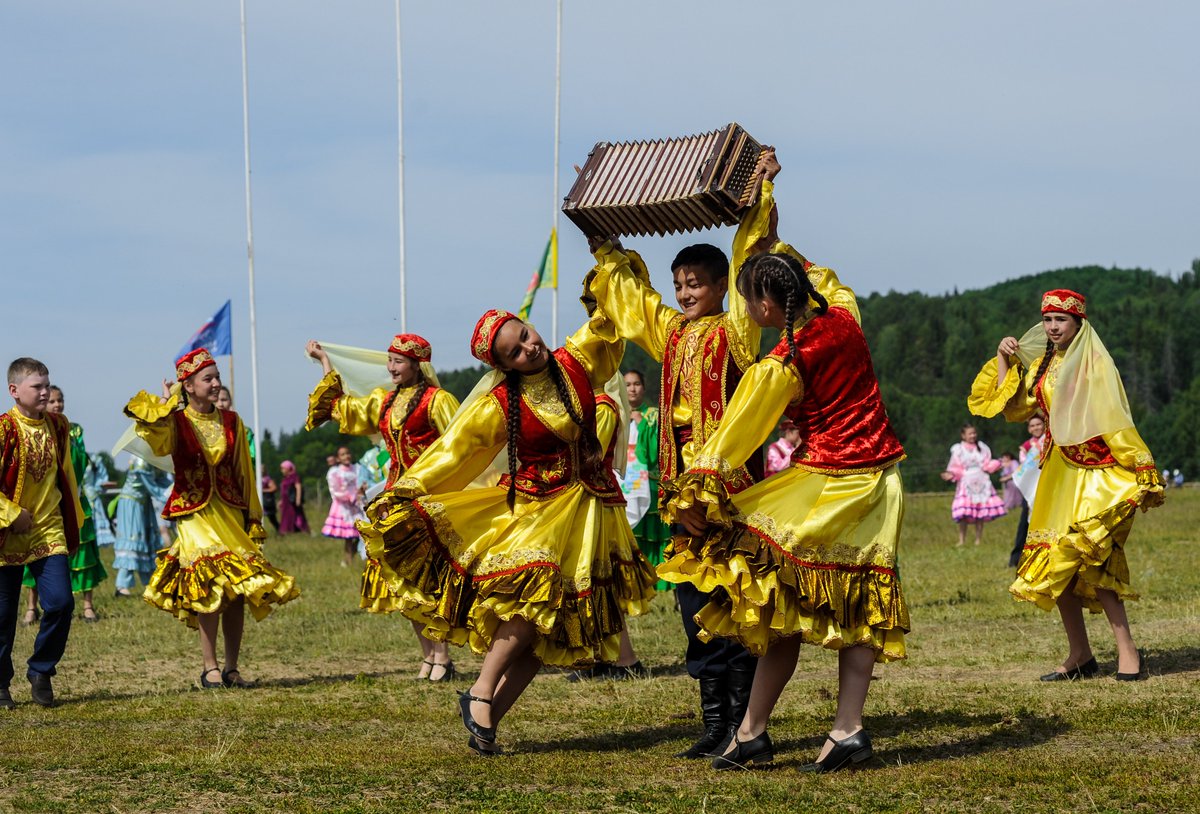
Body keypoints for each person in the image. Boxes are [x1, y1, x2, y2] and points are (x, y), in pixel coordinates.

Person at [360, 308, 656, 755]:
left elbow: (611, 324)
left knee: (547, 630)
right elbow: (453, 453)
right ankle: (480, 691)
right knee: (531, 604)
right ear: (504, 367)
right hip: (538, 512)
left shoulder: (575, 359)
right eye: (513, 353)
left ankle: (487, 720)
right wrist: (406, 489)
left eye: (525, 335)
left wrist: (608, 269)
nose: (528, 348)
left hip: (591, 510)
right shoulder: (498, 405)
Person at [582, 150, 784, 759]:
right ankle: (714, 723)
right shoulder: (670, 333)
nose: (684, 293)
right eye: (678, 286)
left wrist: (759, 200)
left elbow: (755, 257)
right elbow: (634, 301)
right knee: (693, 608)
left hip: (730, 493)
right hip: (678, 495)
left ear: (724, 287)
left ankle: (747, 728)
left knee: (734, 604)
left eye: (695, 284)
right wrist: (606, 249)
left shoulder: (738, 332)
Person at [969, 289, 1163, 681]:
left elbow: (1112, 416)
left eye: (1061, 320)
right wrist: (1004, 359)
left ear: (1078, 323)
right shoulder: (1043, 364)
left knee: (1093, 559)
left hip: (1094, 471)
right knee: (1058, 561)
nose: (1053, 327)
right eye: (1048, 319)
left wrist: (1140, 463)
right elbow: (1015, 409)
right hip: (1057, 471)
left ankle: (1128, 652)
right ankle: (1080, 654)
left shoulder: (1093, 361)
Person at [126, 348, 299, 688]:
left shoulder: (232, 421)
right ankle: (210, 667)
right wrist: (167, 403)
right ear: (188, 385)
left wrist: (253, 516)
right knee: (208, 584)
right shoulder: (175, 421)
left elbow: (243, 472)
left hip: (230, 511)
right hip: (194, 513)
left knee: (236, 589)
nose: (217, 384)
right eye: (209, 379)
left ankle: (232, 667)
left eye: (217, 377)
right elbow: (156, 443)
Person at [304, 333, 462, 681]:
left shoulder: (439, 400)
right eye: (389, 360)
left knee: (430, 580)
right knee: (403, 579)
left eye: (398, 361)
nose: (391, 367)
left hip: (429, 499)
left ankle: (443, 655)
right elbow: (342, 408)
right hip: (394, 499)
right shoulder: (384, 402)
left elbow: (459, 446)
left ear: (417, 365)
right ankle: (428, 656)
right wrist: (324, 363)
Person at [0, 358, 83, 708]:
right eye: (38, 386)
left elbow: (66, 475)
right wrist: (11, 514)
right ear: (14, 391)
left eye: (47, 384)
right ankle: (0, 683)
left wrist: (74, 519)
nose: (46, 391)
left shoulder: (59, 425)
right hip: (5, 535)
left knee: (62, 602)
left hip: (48, 530)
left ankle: (42, 669)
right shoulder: (3, 429)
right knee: (2, 617)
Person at [21, 386, 107, 624]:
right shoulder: (36, 430)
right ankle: (31, 607)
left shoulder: (73, 430)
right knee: (37, 555)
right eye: (52, 402)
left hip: (77, 499)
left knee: (85, 552)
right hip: (46, 503)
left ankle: (88, 605)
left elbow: (78, 463)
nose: (57, 405)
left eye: (60, 401)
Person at [621, 369, 672, 593]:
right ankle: (633, 585)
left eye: (636, 384)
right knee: (631, 538)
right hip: (622, 487)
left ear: (644, 387)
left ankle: (660, 583)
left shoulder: (653, 415)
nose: (632, 388)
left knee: (654, 535)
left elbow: (652, 453)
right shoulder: (613, 414)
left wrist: (641, 424)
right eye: (628, 384)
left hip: (649, 485)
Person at [112, 455, 170, 597]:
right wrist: (170, 494)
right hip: (131, 503)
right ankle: (122, 586)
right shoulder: (141, 461)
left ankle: (150, 583)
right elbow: (153, 487)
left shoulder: (157, 459)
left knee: (146, 543)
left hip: (144, 503)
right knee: (132, 542)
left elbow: (162, 480)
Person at [940, 424, 1006, 546]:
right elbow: (956, 466)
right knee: (964, 512)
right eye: (970, 433)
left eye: (974, 433)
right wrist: (951, 474)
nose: (973, 435)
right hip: (966, 481)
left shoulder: (982, 447)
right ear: (963, 435)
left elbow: (987, 464)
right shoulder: (958, 449)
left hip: (982, 480)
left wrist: (997, 464)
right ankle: (961, 539)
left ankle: (978, 540)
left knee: (980, 511)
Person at [1007, 415, 1046, 567]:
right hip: (1030, 488)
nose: (1036, 428)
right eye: (1032, 425)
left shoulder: (1050, 441)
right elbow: (1024, 466)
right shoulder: (1026, 446)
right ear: (1029, 429)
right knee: (1025, 522)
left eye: (1039, 424)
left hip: (1047, 485)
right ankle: (1017, 557)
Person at [323, 446, 365, 567]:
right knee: (348, 536)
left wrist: (360, 493)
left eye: (347, 453)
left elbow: (361, 483)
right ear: (338, 458)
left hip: (358, 505)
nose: (346, 456)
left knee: (361, 533)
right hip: (344, 508)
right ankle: (348, 561)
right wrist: (350, 497)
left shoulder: (357, 469)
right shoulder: (335, 472)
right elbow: (335, 491)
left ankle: (351, 557)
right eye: (342, 454)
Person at [277, 461, 309, 535]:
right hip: (286, 501)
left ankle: (302, 530)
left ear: (288, 468)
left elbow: (298, 487)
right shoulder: (285, 478)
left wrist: (298, 499)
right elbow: (284, 491)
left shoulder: (294, 477)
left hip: (292, 501)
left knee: (297, 515)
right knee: (286, 516)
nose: (282, 470)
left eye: (283, 468)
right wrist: (281, 501)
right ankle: (287, 530)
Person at [260, 468, 280, 532]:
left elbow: (273, 488)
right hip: (261, 501)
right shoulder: (257, 478)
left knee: (272, 519)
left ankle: (280, 530)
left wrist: (262, 490)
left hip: (267, 501)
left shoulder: (267, 479)